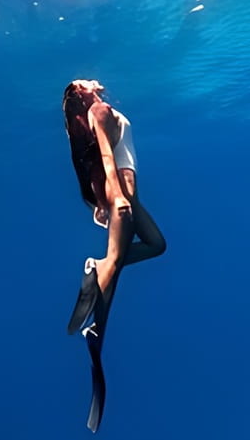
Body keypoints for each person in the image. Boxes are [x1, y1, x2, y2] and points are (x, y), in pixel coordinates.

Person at [62, 79, 166, 336]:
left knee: (155, 245)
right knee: (115, 266)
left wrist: (105, 198)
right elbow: (107, 156)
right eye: (83, 82)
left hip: (130, 197)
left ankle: (96, 268)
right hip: (122, 193)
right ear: (80, 92)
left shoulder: (95, 115)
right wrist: (117, 198)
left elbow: (98, 159)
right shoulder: (99, 111)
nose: (91, 80)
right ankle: (98, 327)